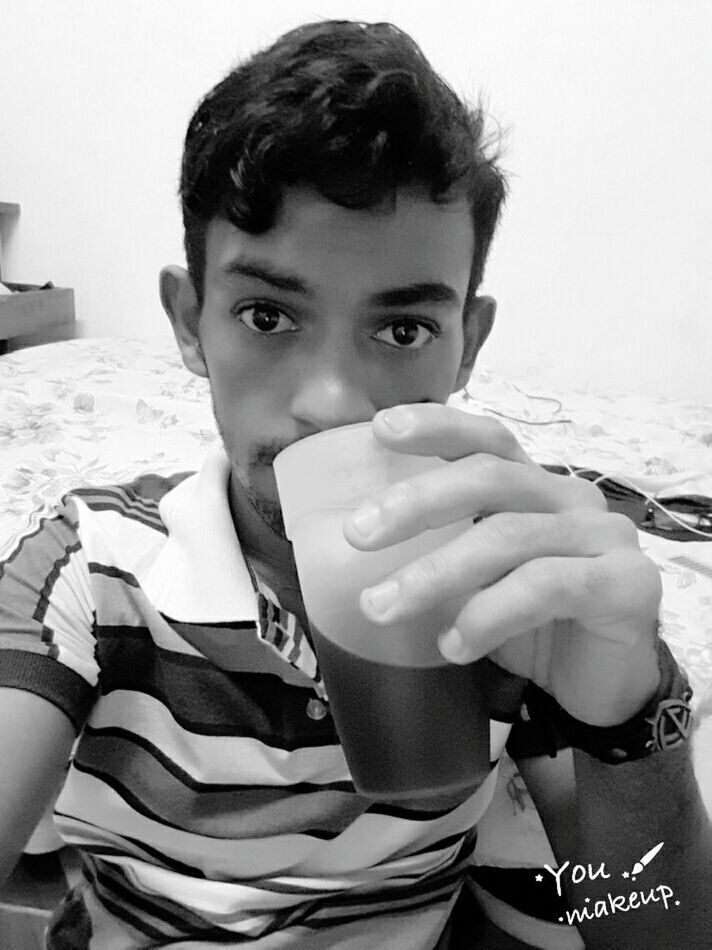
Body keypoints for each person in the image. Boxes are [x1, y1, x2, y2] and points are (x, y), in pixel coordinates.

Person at [0, 19, 710, 950]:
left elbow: (650, 925)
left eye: (403, 330)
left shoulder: (514, 586)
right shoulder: (91, 574)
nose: (333, 405)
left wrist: (625, 718)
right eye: (267, 314)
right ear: (188, 322)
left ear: (469, 344)